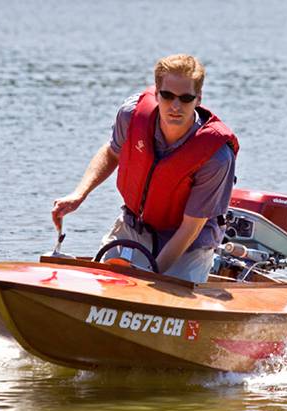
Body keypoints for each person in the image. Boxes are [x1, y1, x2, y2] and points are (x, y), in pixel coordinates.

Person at [51, 54, 239, 282]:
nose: (176, 106)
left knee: (162, 296)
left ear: (198, 99)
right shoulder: (131, 115)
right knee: (101, 285)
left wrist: (150, 278)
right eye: (168, 96)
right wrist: (79, 194)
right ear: (157, 93)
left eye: (186, 98)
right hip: (134, 227)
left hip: (187, 244)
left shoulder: (216, 157)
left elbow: (189, 229)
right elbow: (111, 153)